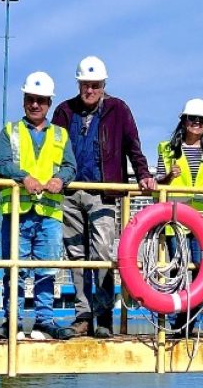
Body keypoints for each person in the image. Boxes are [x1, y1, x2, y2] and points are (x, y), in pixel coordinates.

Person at [52, 56, 156, 338]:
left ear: (103, 85)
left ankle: (105, 316)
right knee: (76, 256)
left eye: (95, 85)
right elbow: (52, 150)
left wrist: (143, 173)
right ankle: (83, 316)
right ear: (78, 84)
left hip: (104, 193)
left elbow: (133, 145)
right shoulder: (64, 111)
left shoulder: (118, 110)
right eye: (85, 85)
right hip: (70, 192)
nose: (90, 90)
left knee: (101, 255)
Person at [0, 72, 77, 340]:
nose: (35, 105)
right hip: (16, 213)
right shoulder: (10, 131)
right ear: (24, 100)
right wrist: (23, 178)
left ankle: (44, 321)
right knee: (14, 268)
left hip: (49, 213)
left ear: (49, 103)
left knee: (47, 269)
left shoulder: (60, 135)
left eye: (41, 100)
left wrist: (59, 180)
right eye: (31, 99)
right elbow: (2, 164)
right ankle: (12, 322)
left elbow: (70, 167)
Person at [155, 98, 203, 338]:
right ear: (183, 121)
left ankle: (192, 323)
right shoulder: (166, 148)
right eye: (193, 119)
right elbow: (157, 184)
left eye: (202, 121)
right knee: (178, 272)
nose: (197, 124)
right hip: (176, 221)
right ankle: (177, 323)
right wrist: (168, 177)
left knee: (202, 273)